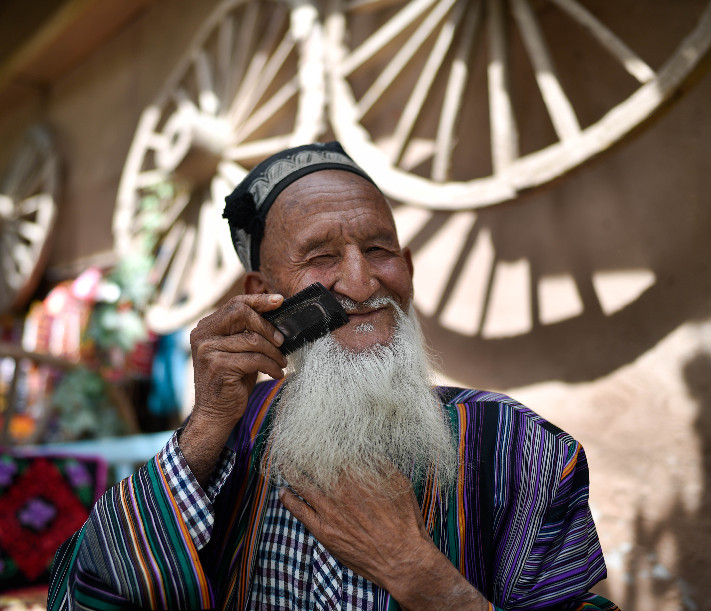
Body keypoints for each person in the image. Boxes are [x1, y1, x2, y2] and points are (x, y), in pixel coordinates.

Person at [48, 142, 618, 610]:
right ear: (263, 295)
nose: (361, 283)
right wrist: (206, 426)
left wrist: (420, 576)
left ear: (407, 270)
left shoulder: (517, 446)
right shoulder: (224, 442)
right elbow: (82, 597)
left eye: (379, 250)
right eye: (320, 257)